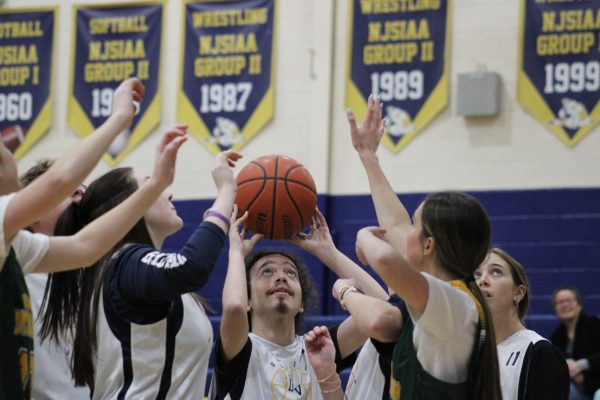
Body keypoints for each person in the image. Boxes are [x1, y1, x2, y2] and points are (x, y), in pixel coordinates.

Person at [0, 77, 186, 399]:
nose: (79, 199)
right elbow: (60, 179)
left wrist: (155, 184)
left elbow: (85, 247)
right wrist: (118, 120)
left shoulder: (20, 249)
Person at [39, 149, 240, 398]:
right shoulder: (125, 263)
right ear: (130, 206)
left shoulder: (123, 268)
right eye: (150, 184)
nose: (169, 192)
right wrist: (225, 193)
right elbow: (193, 266)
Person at [348, 95, 502, 399]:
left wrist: (364, 239)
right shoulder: (450, 295)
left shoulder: (455, 305)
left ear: (429, 245)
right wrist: (368, 156)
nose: (405, 232)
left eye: (414, 226)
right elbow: (393, 227)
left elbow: (388, 260)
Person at [210, 206, 380, 400]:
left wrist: (328, 253)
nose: (281, 277)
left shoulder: (320, 348)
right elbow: (233, 307)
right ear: (247, 300)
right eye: (267, 271)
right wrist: (236, 252)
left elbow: (383, 306)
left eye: (291, 273)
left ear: (301, 303)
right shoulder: (240, 349)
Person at [20, 159, 89, 400]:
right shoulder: (16, 267)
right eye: (66, 189)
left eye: (82, 187)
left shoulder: (95, 275)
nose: (80, 192)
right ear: (31, 213)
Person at [475, 247, 569, 399]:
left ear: (518, 293)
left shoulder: (540, 352)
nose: (482, 280)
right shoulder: (467, 351)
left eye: (496, 272)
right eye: (477, 274)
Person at [550, 286, 600, 399]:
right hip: (576, 387)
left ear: (579, 304)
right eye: (560, 302)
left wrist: (580, 365)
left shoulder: (594, 324)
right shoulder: (557, 335)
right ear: (555, 309)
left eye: (569, 300)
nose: (565, 305)